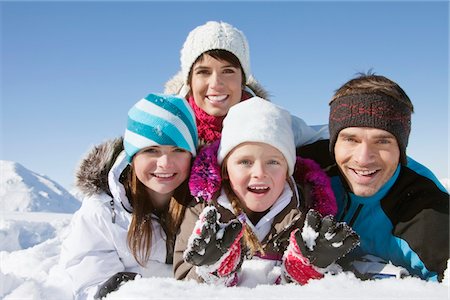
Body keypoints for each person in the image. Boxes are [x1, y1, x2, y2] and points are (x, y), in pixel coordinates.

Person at [173, 97, 359, 286]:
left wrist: (304, 273)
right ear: (225, 170)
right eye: (245, 162)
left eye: (273, 162)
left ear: (287, 170)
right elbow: (183, 275)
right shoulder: (204, 211)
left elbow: (334, 282)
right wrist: (210, 271)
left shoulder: (305, 214)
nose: (260, 173)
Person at [301, 73, 449, 281]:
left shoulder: (429, 217)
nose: (363, 158)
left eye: (382, 142)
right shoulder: (307, 167)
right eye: (351, 139)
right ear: (334, 144)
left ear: (401, 148)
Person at [60, 93, 198, 299]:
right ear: (132, 157)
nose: (165, 163)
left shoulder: (203, 204)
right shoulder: (103, 211)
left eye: (178, 150)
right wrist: (108, 291)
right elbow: (88, 273)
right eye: (152, 150)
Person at [164, 20, 328, 147]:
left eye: (228, 71)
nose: (215, 83)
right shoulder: (166, 129)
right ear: (189, 81)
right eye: (203, 72)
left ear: (242, 79)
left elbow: (326, 135)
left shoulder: (270, 123)